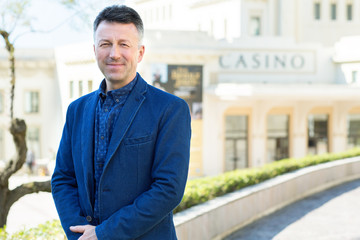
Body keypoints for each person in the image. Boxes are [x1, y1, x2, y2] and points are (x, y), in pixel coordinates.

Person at [51, 5, 191, 240]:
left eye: (124, 44)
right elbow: (63, 178)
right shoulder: (77, 110)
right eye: (105, 44)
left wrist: (103, 234)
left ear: (140, 52)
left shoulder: (170, 109)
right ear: (95, 50)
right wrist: (80, 234)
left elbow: (168, 189)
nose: (114, 53)